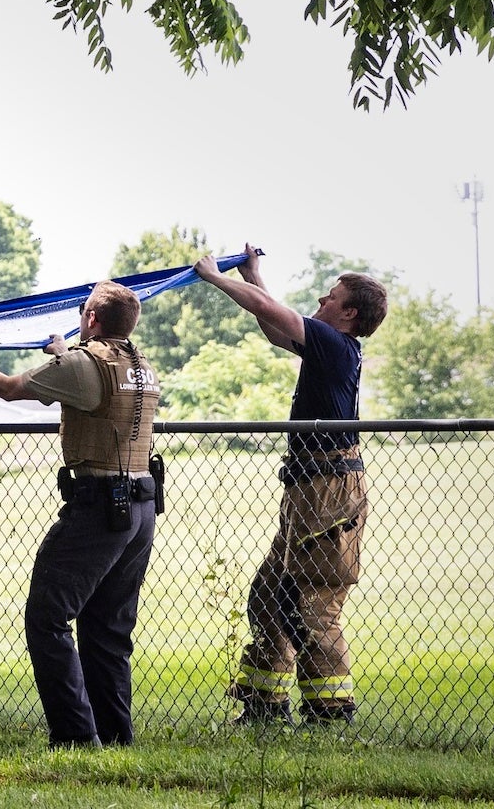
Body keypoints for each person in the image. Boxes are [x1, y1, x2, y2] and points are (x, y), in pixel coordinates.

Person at [0, 280, 160, 747]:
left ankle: (76, 737)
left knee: (48, 618)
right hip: (140, 506)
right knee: (107, 628)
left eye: (83, 311)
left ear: (92, 319)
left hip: (99, 506)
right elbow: (87, 374)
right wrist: (66, 350)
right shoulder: (138, 365)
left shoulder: (81, 364)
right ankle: (116, 736)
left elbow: (8, 388)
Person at [195, 247, 387, 725]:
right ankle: (265, 707)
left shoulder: (335, 344)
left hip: (328, 489)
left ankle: (330, 714)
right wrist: (254, 273)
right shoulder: (327, 346)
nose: (323, 298)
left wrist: (213, 278)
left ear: (349, 313)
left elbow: (268, 310)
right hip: (308, 485)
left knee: (310, 603)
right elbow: (275, 326)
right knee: (269, 594)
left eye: (333, 296)